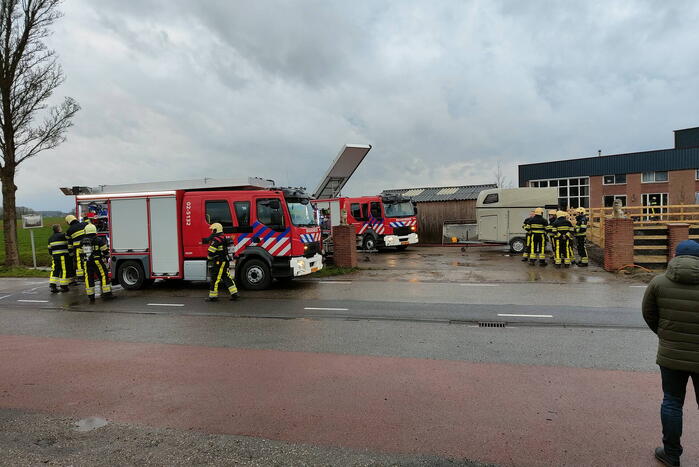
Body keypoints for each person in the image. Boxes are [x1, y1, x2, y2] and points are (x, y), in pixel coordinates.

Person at [642, 240, 699, 467]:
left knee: (672, 402)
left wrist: (665, 336)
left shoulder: (658, 282)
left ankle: (671, 454)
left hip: (671, 354)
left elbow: (649, 313)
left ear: (675, 256)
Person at [206, 223, 239, 302]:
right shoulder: (225, 238)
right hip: (225, 261)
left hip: (219, 262)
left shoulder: (216, 239)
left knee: (215, 279)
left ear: (216, 230)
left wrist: (209, 257)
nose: (211, 231)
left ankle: (213, 297)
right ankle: (234, 293)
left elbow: (211, 252)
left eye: (212, 230)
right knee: (226, 277)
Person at [80, 223, 113, 303]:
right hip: (97, 261)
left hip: (87, 262)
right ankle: (106, 293)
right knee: (103, 275)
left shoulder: (82, 242)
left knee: (89, 278)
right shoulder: (98, 240)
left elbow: (81, 253)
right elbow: (105, 251)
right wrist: (106, 257)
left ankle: (91, 296)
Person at [47, 224, 71, 293]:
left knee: (55, 270)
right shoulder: (63, 236)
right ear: (59, 229)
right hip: (63, 256)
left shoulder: (50, 238)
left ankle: (53, 285)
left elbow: (49, 249)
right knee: (64, 270)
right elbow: (69, 241)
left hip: (55, 256)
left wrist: (53, 254)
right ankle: (64, 286)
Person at [65, 214, 87, 281]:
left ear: (68, 221)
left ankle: (81, 277)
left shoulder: (69, 231)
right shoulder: (84, 224)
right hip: (87, 246)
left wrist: (70, 252)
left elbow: (69, 243)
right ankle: (89, 274)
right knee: (88, 259)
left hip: (78, 248)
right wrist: (86, 218)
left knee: (79, 261)